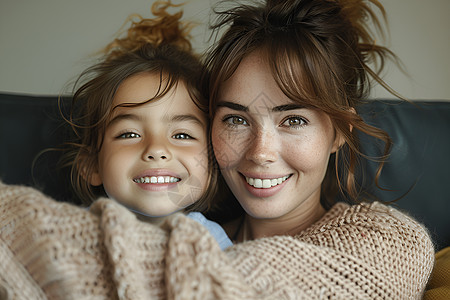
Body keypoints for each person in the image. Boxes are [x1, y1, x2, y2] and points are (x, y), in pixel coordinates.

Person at [0, 0, 434, 299]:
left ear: (338, 129)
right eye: (236, 119)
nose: (261, 152)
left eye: (294, 120)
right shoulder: (189, 225)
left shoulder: (389, 242)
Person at [58, 0, 231, 250]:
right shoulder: (66, 235)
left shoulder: (212, 242)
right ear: (91, 164)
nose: (156, 149)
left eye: (182, 135)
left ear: (213, 164)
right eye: (129, 133)